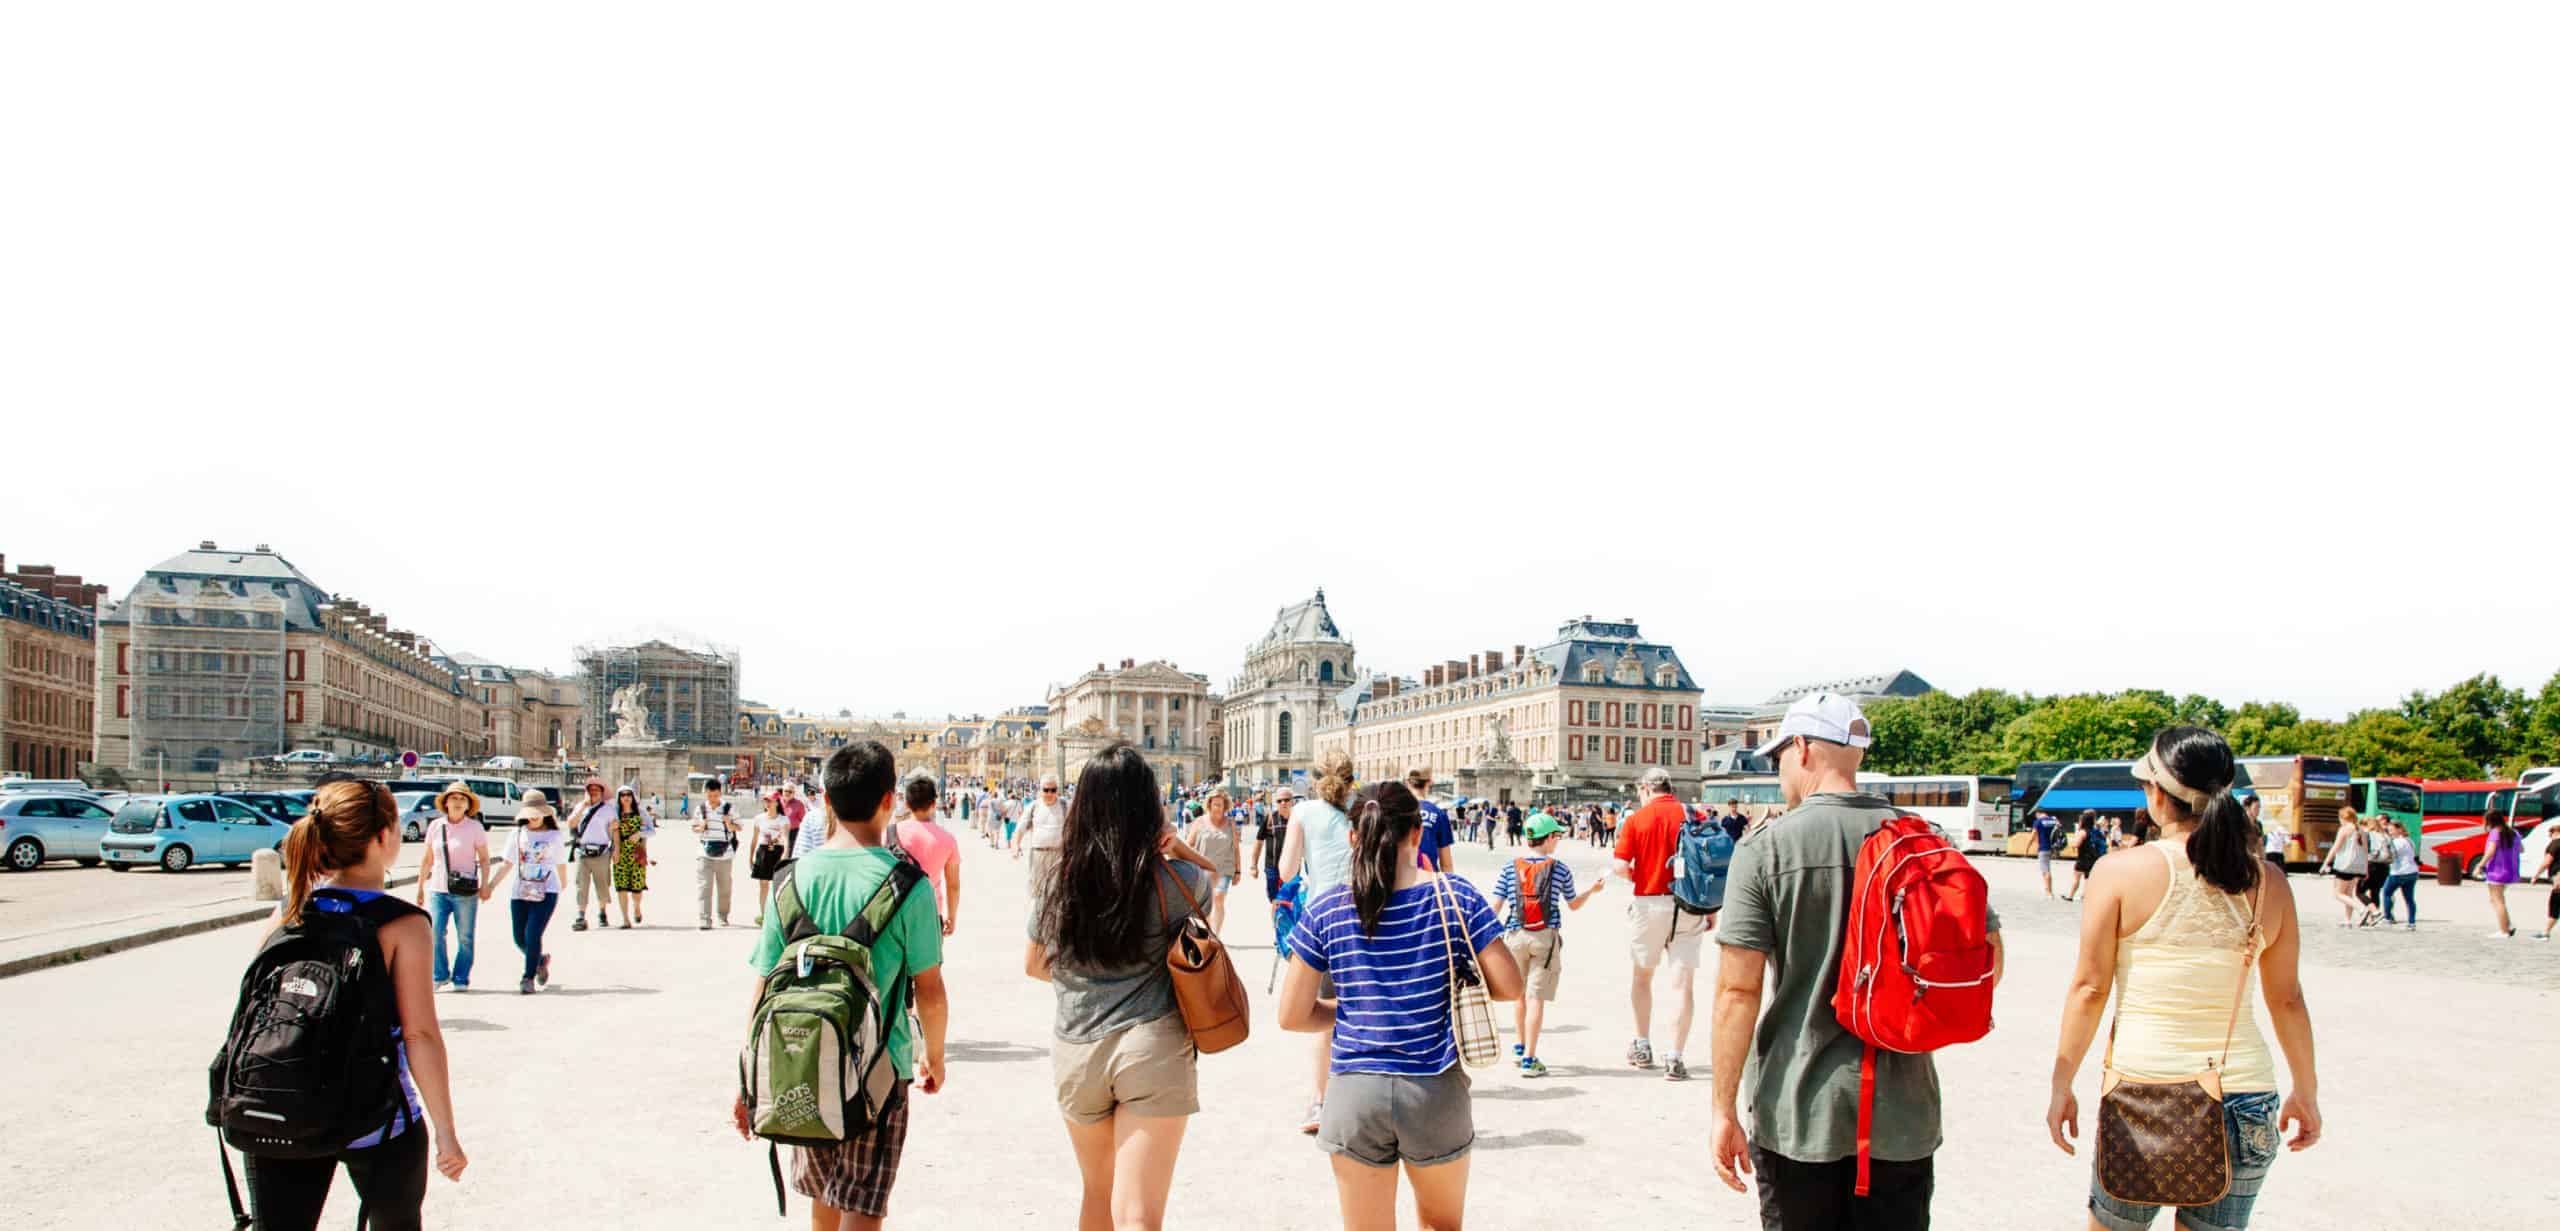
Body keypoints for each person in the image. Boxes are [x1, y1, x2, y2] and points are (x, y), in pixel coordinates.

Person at [1710, 692, 2004, 1228]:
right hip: (1903, 1111)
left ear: (1801, 748)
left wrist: (1722, 1109)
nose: (1779, 770)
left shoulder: (1767, 848)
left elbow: (1737, 993)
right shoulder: (1926, 842)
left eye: (1779, 755)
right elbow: (1988, 961)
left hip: (1799, 1108)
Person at [2048, 727, 2320, 1231]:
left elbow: (2090, 988)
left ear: (2156, 793)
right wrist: (2306, 1089)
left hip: (2144, 1092)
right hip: (2244, 1097)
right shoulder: (2270, 883)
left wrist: (2061, 1083)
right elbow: (2287, 999)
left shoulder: (2119, 872)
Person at [1278, 781, 1522, 1231]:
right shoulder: (1456, 896)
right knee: (1440, 1224)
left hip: (1354, 1090)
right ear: (1417, 833)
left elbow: (1292, 1016)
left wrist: (1351, 1012)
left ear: (1354, 837)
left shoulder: (1327, 908)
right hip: (1433, 1086)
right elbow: (1509, 987)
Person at [734, 740, 947, 1230]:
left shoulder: (790, 879)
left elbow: (764, 987)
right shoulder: (908, 886)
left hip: (800, 1056)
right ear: (889, 800)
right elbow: (930, 991)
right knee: (862, 1206)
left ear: (824, 801)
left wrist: (749, 1077)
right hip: (880, 1065)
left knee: (823, 1198)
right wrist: (933, 1055)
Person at [247, 779, 468, 1229]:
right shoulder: (403, 924)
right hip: (374, 1112)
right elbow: (419, 1034)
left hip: (280, 1103)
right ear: (384, 838)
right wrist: (446, 1133)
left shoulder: (289, 911)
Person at [1025, 743, 1211, 1231]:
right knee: (1138, 1216)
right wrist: (1176, 848)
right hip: (1152, 1041)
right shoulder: (1179, 878)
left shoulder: (1056, 881)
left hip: (1076, 1044)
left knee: (1097, 1195)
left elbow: (1035, 965)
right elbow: (1199, 950)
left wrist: (1085, 981)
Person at [1610, 765, 1706, 1081]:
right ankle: (1676, 1057)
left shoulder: (1638, 819)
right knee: (1683, 984)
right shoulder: (1694, 815)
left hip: (1650, 900)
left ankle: (1642, 1044)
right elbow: (1709, 863)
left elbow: (1620, 866)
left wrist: (1642, 878)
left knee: (1642, 977)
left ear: (1646, 789)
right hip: (1690, 903)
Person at [1279, 747, 1357, 1134]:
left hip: (1323, 922)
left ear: (1314, 779)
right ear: (1351, 781)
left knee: (1325, 1015)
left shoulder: (1303, 812)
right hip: (1366, 919)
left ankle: (1321, 1102)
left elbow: (1286, 869)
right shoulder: (1361, 813)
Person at [1491, 811, 1604, 1078]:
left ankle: (1519, 1048)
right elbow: (1573, 904)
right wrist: (1592, 891)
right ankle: (1531, 1059)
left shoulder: (1510, 867)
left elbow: (1494, 906)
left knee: (1518, 994)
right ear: (1550, 838)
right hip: (1545, 937)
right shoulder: (1559, 868)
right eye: (1557, 836)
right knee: (1536, 998)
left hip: (1515, 936)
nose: (1559, 841)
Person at [414, 782, 502, 993]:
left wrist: (485, 885)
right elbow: (427, 859)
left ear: (468, 805)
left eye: (462, 799)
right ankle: (440, 974)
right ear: (446, 802)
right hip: (439, 889)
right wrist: (419, 886)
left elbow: (484, 858)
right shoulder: (436, 826)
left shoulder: (474, 827)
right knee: (435, 933)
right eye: (454, 798)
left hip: (465, 891)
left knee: (465, 936)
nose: (458, 802)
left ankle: (461, 977)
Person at [485, 790, 562, 994]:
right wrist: (491, 886)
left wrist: (562, 884)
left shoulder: (555, 835)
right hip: (520, 891)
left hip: (546, 890)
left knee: (532, 933)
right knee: (519, 938)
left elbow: (561, 863)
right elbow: (507, 863)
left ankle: (527, 977)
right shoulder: (517, 834)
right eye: (530, 812)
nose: (534, 816)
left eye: (538, 812)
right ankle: (539, 960)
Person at [895, 775, 962, 937]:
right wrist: (952, 917)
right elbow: (953, 885)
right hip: (930, 912)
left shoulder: (890, 833)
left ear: (907, 804)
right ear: (933, 804)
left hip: (894, 912)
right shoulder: (948, 839)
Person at [566, 776, 621, 931]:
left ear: (602, 793)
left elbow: (615, 831)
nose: (593, 792)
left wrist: (617, 849)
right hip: (582, 851)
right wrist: (583, 806)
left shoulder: (609, 810)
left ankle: (602, 912)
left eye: (596, 790)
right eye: (591, 790)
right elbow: (570, 823)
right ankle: (580, 916)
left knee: (602, 884)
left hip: (601, 851)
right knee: (581, 885)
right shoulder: (580, 807)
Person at [1182, 788, 1241, 934]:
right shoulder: (1199, 822)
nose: (1217, 808)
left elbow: (1236, 848)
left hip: (1224, 868)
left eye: (1220, 805)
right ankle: (1208, 932)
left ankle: (1216, 934)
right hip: (1203, 869)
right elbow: (1188, 845)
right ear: (1209, 805)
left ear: (1225, 806)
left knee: (1219, 897)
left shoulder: (1230, 823)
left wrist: (1238, 870)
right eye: (1215, 804)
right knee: (1206, 905)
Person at [691, 780, 741, 930]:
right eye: (710, 795)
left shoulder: (729, 808)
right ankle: (705, 919)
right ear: (705, 793)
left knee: (724, 888)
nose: (713, 799)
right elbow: (694, 827)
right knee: (704, 887)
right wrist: (701, 827)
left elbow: (739, 827)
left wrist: (729, 824)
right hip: (704, 853)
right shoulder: (700, 809)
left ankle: (722, 916)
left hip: (725, 854)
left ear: (720, 793)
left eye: (716, 795)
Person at [1012, 774, 1069, 883]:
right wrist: (1016, 846)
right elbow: (1020, 829)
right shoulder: (1033, 807)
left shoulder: (1065, 806)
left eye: (1053, 790)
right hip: (1038, 855)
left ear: (1057, 790)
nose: (1049, 793)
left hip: (1059, 856)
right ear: (1040, 790)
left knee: (1057, 892)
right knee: (1037, 891)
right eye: (1046, 790)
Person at [749, 791, 792, 925]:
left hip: (777, 851)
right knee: (763, 885)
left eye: (770, 801)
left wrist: (785, 853)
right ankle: (764, 915)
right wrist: (750, 857)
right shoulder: (759, 818)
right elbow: (755, 839)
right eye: (766, 801)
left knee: (778, 885)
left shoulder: (783, 819)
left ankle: (777, 915)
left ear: (777, 802)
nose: (767, 803)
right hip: (763, 851)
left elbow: (785, 838)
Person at [610, 786, 649, 927]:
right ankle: (625, 919)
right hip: (621, 852)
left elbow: (651, 831)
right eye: (622, 795)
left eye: (628, 795)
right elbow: (610, 832)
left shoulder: (641, 812)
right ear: (619, 798)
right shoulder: (615, 814)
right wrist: (616, 849)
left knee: (637, 888)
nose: (626, 797)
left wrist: (639, 834)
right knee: (621, 887)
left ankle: (637, 907)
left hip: (637, 852)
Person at [2322, 809, 2368, 927]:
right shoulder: (2361, 830)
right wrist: (2365, 868)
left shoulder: (2344, 829)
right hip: (2358, 866)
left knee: (2338, 894)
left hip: (2345, 865)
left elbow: (2335, 847)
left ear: (2343, 818)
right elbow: (2366, 850)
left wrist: (2326, 863)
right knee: (2348, 893)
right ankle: (2347, 920)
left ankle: (2362, 909)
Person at [1250, 786, 1296, 900]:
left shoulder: (1298, 819)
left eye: (1286, 800)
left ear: (1292, 801)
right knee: (1274, 899)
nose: (1283, 803)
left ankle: (1287, 917)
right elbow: (1258, 842)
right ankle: (1277, 916)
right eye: (1279, 801)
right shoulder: (1270, 818)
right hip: (1272, 868)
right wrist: (1253, 866)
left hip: (1292, 867)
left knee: (1290, 899)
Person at [2481, 810, 2522, 938]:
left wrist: (2480, 864)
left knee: (2498, 901)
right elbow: (2521, 849)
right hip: (2511, 871)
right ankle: (2508, 925)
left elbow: (2491, 850)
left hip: (2496, 871)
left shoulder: (2495, 832)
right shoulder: (2514, 832)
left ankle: (2504, 931)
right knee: (2495, 900)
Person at [1406, 769, 1456, 872]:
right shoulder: (1439, 814)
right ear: (1430, 782)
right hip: (1429, 880)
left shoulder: (1396, 811)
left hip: (1401, 882)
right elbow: (1446, 865)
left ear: (1407, 783)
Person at [2380, 819, 2420, 930]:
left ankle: (2387, 918)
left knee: (2387, 893)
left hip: (2398, 872)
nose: (2390, 832)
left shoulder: (2397, 842)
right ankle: (2411, 922)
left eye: (2392, 830)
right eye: (2389, 830)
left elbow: (2390, 856)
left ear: (2399, 829)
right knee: (2409, 898)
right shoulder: (2409, 840)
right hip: (2412, 872)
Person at [2354, 814, 2390, 924]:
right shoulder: (2385, 835)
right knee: (2375, 892)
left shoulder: (2367, 834)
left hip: (2371, 865)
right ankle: (2372, 918)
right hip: (2384, 866)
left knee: (2359, 892)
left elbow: (2363, 852)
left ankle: (2375, 912)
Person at [2064, 811, 2106, 901]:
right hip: (2093, 857)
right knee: (2088, 878)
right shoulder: (2094, 831)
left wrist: (2072, 842)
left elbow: (2076, 844)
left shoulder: (2083, 832)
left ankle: (2070, 895)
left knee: (2076, 878)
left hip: (2082, 858)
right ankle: (2085, 896)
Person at [2035, 810, 2063, 897]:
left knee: (2045, 870)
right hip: (2053, 848)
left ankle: (2049, 892)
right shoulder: (2054, 820)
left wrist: (2028, 847)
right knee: (2047, 869)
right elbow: (2060, 829)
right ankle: (2048, 890)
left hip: (2043, 847)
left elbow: (2034, 834)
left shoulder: (2038, 821)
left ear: (2038, 813)